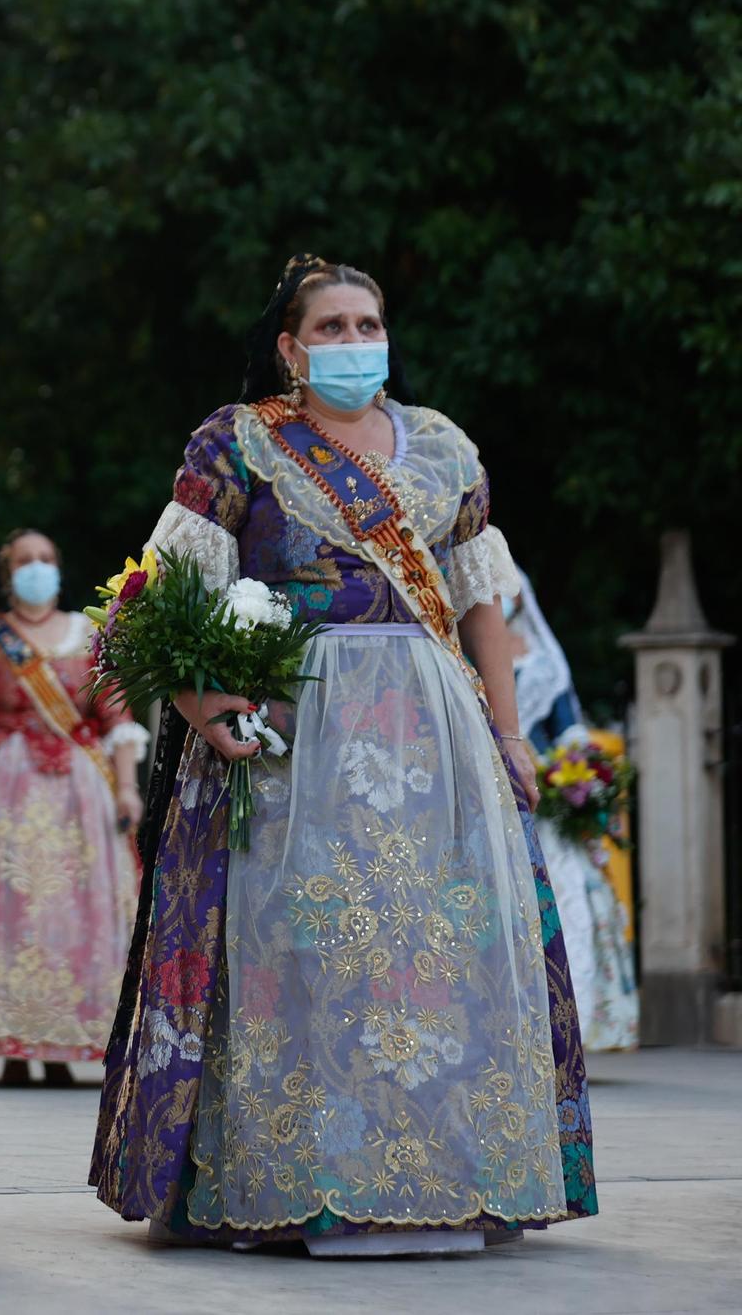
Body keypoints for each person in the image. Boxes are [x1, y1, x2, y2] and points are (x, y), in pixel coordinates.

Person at [91, 256, 596, 1257]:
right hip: (292, 742)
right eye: (329, 326)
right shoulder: (236, 443)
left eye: (367, 323)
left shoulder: (444, 448)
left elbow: (478, 601)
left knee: (442, 950)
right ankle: (300, 1181)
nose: (354, 342)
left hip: (434, 738)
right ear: (288, 346)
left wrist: (504, 733)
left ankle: (452, 1180)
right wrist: (200, 704)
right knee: (304, 952)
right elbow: (140, 602)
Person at [0, 529, 147, 1085]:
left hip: (79, 792)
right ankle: (12, 1050)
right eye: (25, 561)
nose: (36, 568)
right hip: (0, 791)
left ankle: (63, 1045)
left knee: (70, 914)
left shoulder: (91, 633)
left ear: (59, 568)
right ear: (8, 575)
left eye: (45, 559)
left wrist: (127, 788)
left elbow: (118, 719)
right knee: (6, 911)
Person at [507, 571, 639, 1051]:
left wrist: (576, 778)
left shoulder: (544, 665)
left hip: (548, 806)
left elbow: (569, 735)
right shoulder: (471, 658)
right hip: (499, 796)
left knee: (570, 905)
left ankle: (571, 1026)